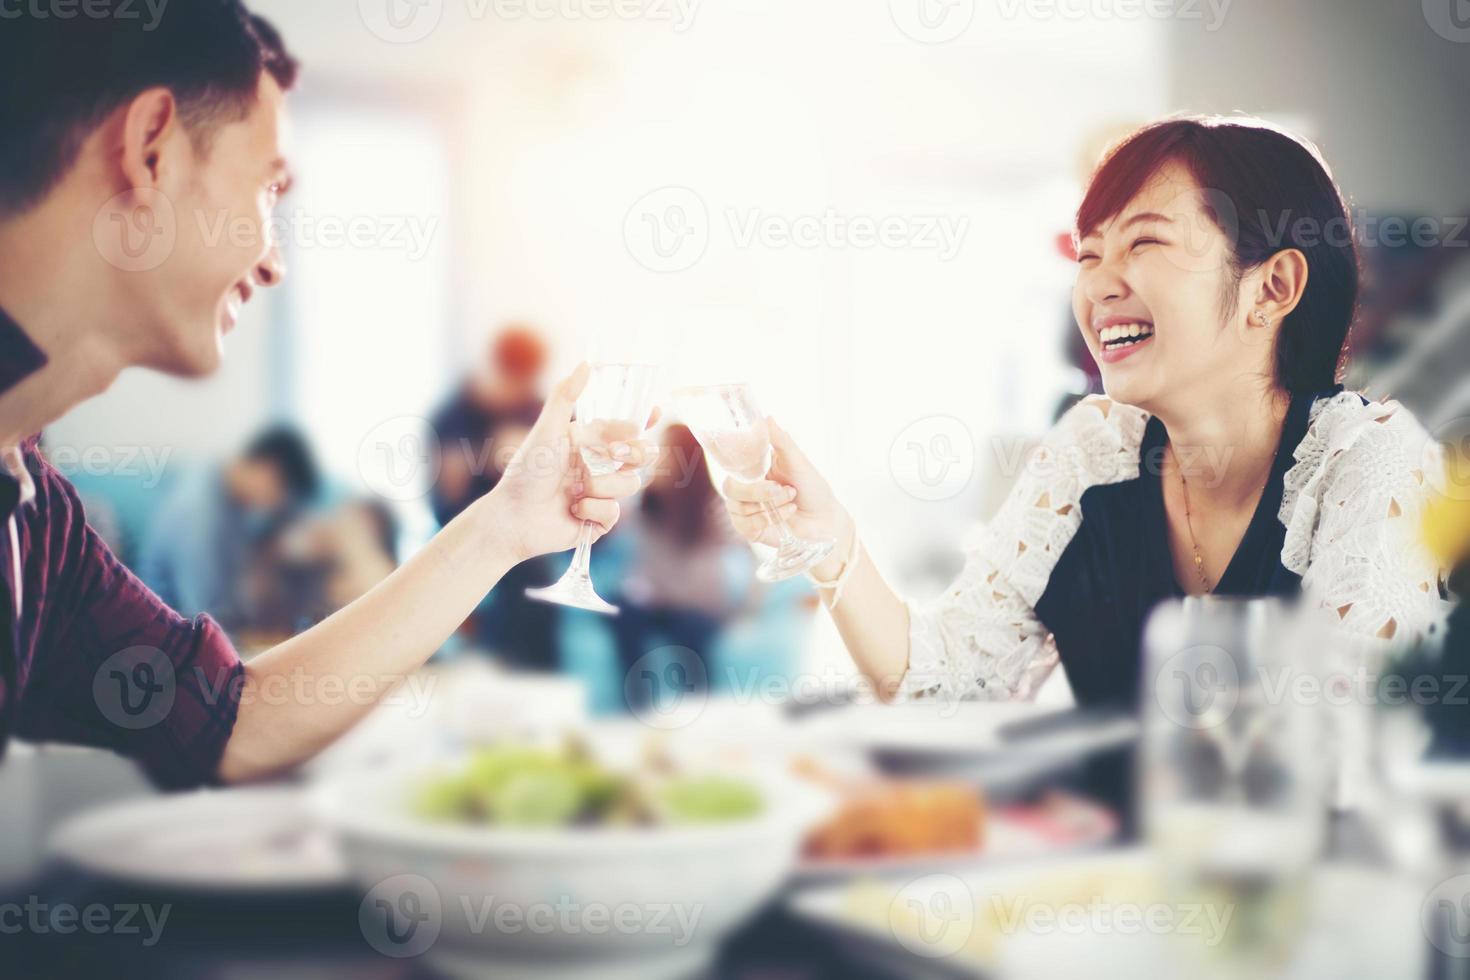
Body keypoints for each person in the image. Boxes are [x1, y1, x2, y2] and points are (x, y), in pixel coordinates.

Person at [0, 4, 651, 789]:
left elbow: (224, 720)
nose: (275, 261)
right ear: (149, 151)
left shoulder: (35, 516)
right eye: (268, 189)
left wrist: (504, 527)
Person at [722, 116, 1456, 710]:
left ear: (1272, 288)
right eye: (1089, 254)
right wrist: (830, 541)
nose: (1100, 287)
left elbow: (1342, 753)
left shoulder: (1369, 463)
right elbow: (936, 684)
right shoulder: (1094, 449)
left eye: (1144, 243)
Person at [429, 325, 556, 670]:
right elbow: (445, 503)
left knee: (532, 571)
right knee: (517, 572)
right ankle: (508, 671)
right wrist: (487, 463)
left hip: (536, 532)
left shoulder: (538, 412)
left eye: (528, 383)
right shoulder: (454, 416)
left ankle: (530, 675)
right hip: (469, 526)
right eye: (515, 381)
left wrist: (535, 462)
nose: (522, 392)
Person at [614, 425, 753, 706]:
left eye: (666, 453)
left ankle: (701, 707)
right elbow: (618, 532)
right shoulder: (647, 505)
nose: (659, 461)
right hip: (656, 603)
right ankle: (637, 705)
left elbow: (749, 551)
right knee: (623, 613)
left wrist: (746, 608)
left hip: (695, 607)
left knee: (692, 631)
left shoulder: (713, 509)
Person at [139, 425, 321, 633]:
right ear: (267, 470)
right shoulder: (201, 516)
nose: (274, 506)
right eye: (280, 495)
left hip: (211, 619)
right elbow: (204, 616)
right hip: (176, 632)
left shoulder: (225, 488)